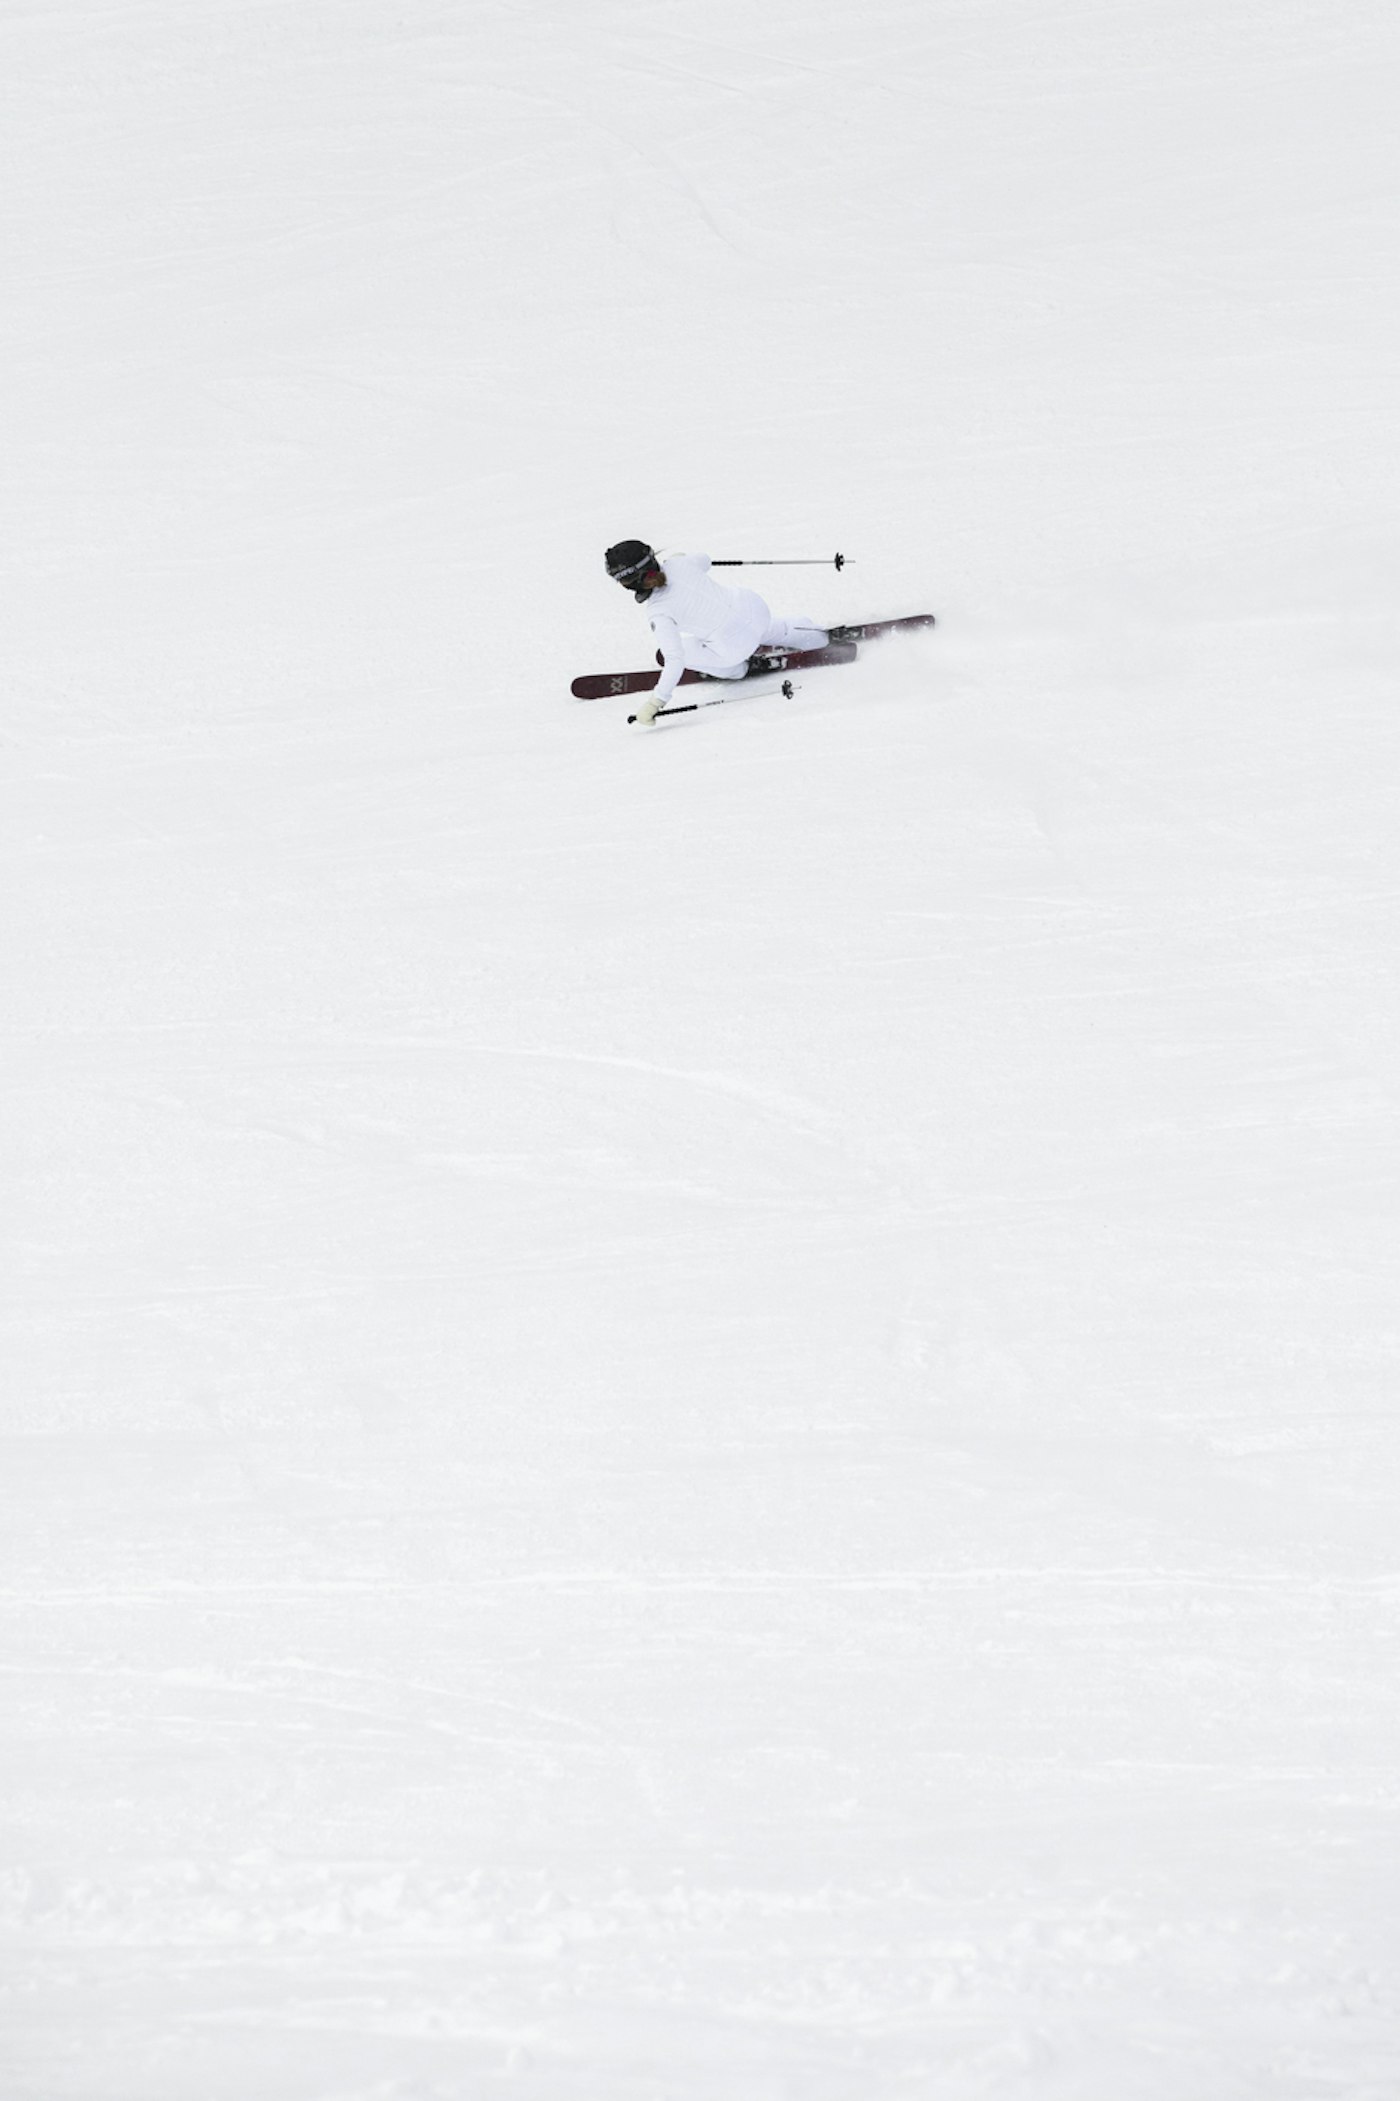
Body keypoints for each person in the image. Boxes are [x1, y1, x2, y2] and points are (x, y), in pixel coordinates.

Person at [604, 541, 829, 723]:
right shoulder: (678, 564)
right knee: (766, 628)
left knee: (671, 652)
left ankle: (735, 671)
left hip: (734, 647)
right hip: (754, 607)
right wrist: (680, 559)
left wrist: (656, 702)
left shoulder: (657, 611)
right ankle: (815, 635)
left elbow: (675, 659)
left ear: (627, 584)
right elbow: (705, 559)